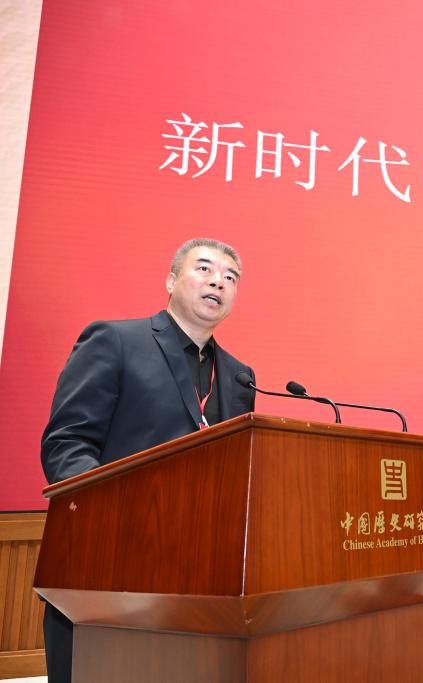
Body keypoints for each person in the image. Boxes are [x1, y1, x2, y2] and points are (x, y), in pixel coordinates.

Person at [39, 238, 256, 683]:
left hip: (198, 581)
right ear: (171, 280)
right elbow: (67, 443)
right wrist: (116, 516)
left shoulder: (239, 377)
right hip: (104, 568)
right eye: (204, 269)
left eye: (230, 277)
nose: (218, 281)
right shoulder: (116, 341)